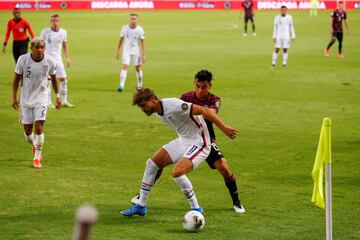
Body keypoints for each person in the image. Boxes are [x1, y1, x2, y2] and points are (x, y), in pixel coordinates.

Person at [131, 70, 245, 213]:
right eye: (197, 86)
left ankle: (236, 201)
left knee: (223, 167)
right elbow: (175, 113)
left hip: (205, 139)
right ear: (194, 84)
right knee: (155, 163)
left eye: (204, 87)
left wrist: (223, 128)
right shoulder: (185, 97)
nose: (200, 90)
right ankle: (143, 195)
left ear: (210, 86)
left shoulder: (214, 100)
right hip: (186, 139)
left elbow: (209, 114)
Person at [12, 37, 61, 168]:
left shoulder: (50, 61)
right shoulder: (23, 60)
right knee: (28, 132)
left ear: (44, 48)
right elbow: (16, 79)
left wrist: (57, 96)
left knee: (39, 127)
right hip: (26, 98)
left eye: (42, 47)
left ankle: (37, 157)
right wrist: (14, 97)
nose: (39, 50)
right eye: (37, 48)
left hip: (42, 98)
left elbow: (54, 79)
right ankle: (34, 145)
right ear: (31, 48)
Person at [41, 14, 74, 108]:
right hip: (47, 59)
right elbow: (41, 45)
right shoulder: (45, 32)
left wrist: (68, 58)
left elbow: (65, 44)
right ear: (50, 22)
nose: (55, 22)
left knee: (64, 79)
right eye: (53, 21)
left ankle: (64, 101)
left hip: (58, 59)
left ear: (59, 22)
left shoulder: (63, 32)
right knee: (48, 80)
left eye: (56, 21)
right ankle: (48, 102)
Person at [115, 13, 145, 92]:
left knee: (138, 68)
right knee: (125, 66)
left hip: (136, 51)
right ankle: (121, 86)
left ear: (136, 19)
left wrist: (143, 55)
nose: (133, 20)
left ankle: (140, 87)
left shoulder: (140, 29)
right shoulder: (124, 28)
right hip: (126, 50)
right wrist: (117, 51)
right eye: (131, 19)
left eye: (134, 19)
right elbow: (120, 40)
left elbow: (142, 43)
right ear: (129, 19)